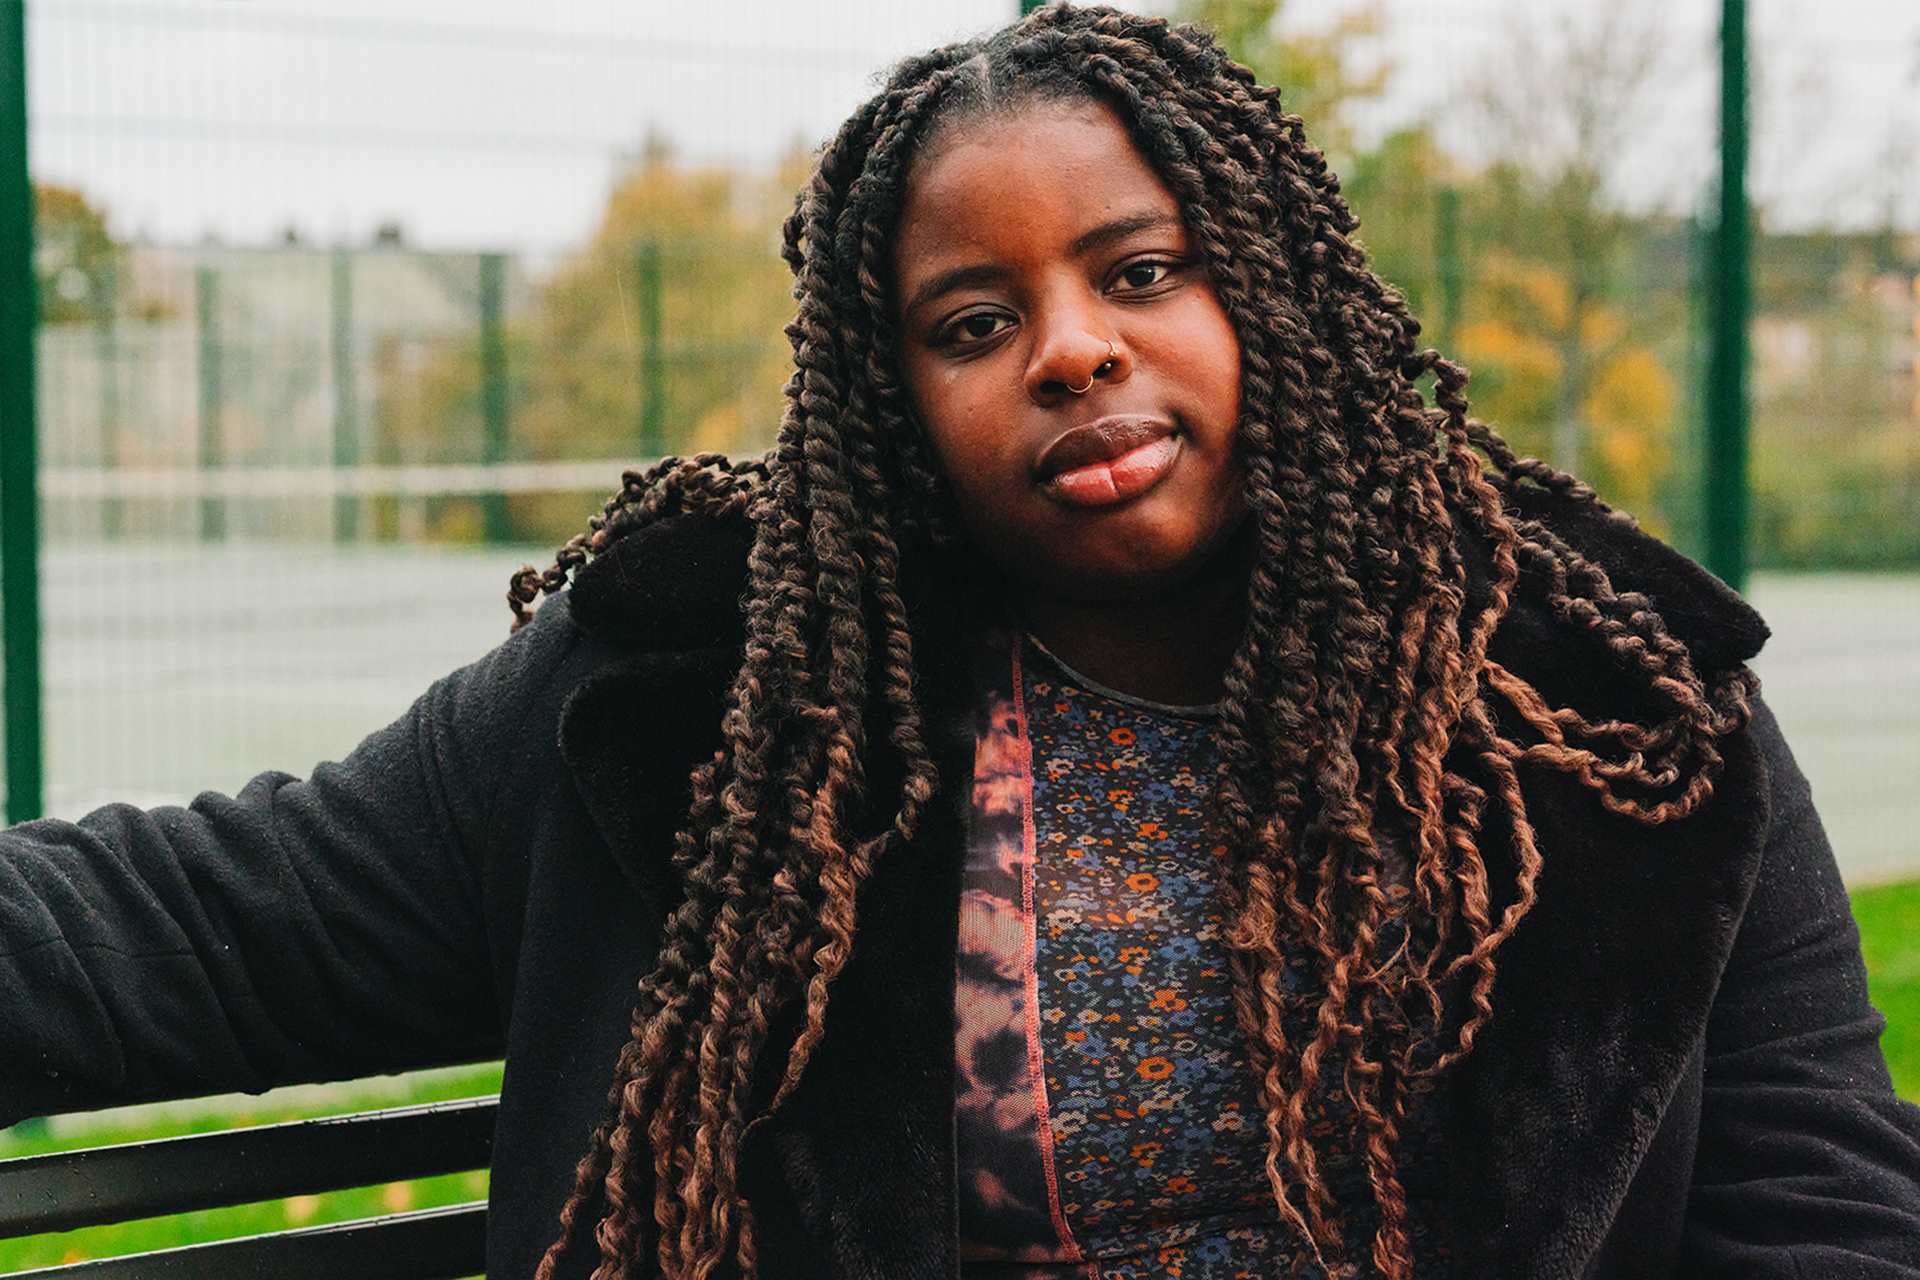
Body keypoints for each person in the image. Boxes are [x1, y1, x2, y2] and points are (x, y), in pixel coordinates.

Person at [4, 5, 1918, 1278]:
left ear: (1275, 299)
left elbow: (1816, 1192)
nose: (1075, 346)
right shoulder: (703, 704)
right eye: (975, 319)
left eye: (1143, 271)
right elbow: (198, 928)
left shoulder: (1600, 701)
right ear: (893, 402)